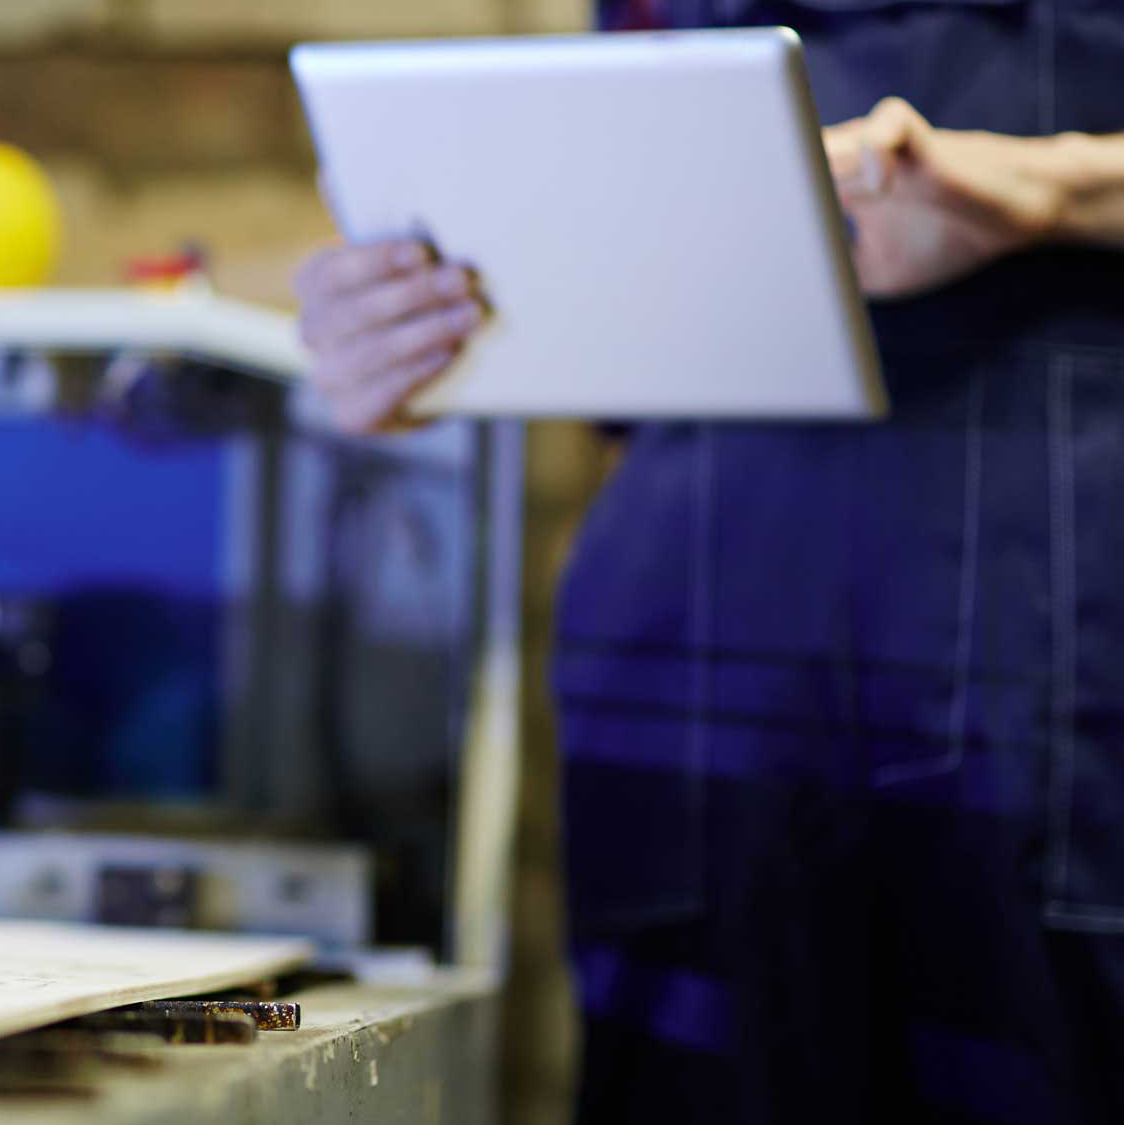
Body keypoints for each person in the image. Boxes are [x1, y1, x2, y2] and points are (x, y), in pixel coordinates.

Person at [293, 2, 1124, 1122]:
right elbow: (628, 245)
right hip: (688, 634)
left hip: (1051, 631)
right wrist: (416, 324)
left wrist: (1057, 186)